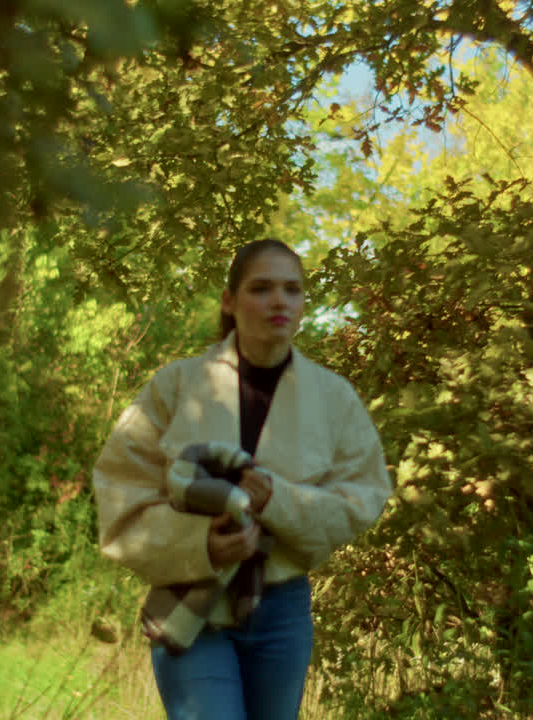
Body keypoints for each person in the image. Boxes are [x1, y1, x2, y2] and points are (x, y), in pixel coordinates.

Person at [92, 238, 391, 720]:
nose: (279, 301)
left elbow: (363, 495)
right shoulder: (176, 386)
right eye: (261, 288)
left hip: (282, 611)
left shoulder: (334, 398)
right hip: (191, 602)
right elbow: (119, 490)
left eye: (292, 289)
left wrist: (277, 499)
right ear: (229, 301)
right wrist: (201, 544)